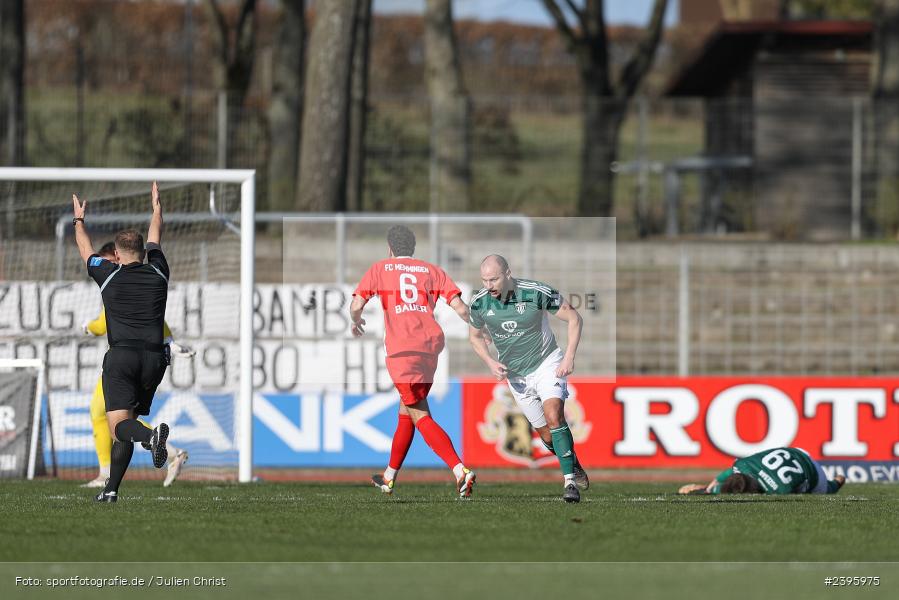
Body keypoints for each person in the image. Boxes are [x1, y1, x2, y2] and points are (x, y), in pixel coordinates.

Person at [349, 225, 476, 498]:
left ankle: (460, 470)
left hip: (402, 351)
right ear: (414, 249)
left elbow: (357, 304)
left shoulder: (380, 269)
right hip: (430, 348)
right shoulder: (431, 271)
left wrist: (356, 321)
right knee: (406, 411)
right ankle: (389, 476)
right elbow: (460, 308)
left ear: (390, 248)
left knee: (419, 414)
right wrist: (481, 327)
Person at [72, 182, 171, 503]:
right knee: (124, 424)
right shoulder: (159, 271)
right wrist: (156, 210)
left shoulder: (108, 274)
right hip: (155, 360)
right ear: (144, 252)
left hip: (122, 358)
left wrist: (79, 221)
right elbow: (155, 236)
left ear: (116, 254)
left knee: (119, 427)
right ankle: (111, 489)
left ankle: (151, 435)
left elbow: (85, 250)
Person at [468, 255, 588, 503]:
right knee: (546, 435)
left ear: (508, 274)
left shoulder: (536, 292)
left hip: (547, 363)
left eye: (494, 279)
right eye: (484, 280)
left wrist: (568, 358)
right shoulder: (480, 303)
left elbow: (574, 318)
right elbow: (475, 337)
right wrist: (490, 362)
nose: (488, 285)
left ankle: (569, 483)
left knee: (554, 414)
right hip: (517, 376)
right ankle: (572, 462)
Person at [80, 242, 191, 489]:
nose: (108, 263)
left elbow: (104, 323)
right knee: (111, 416)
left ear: (118, 256)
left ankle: (112, 471)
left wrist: (89, 327)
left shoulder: (117, 281)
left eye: (109, 259)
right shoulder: (142, 279)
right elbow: (156, 320)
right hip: (148, 360)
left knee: (115, 420)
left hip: (122, 361)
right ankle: (110, 483)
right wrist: (170, 342)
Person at [677, 446, 847, 495]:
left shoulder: (779, 489)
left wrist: (708, 490)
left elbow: (731, 474)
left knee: (827, 491)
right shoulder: (744, 465)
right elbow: (730, 474)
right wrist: (708, 488)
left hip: (813, 472)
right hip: (797, 450)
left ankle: (838, 480)